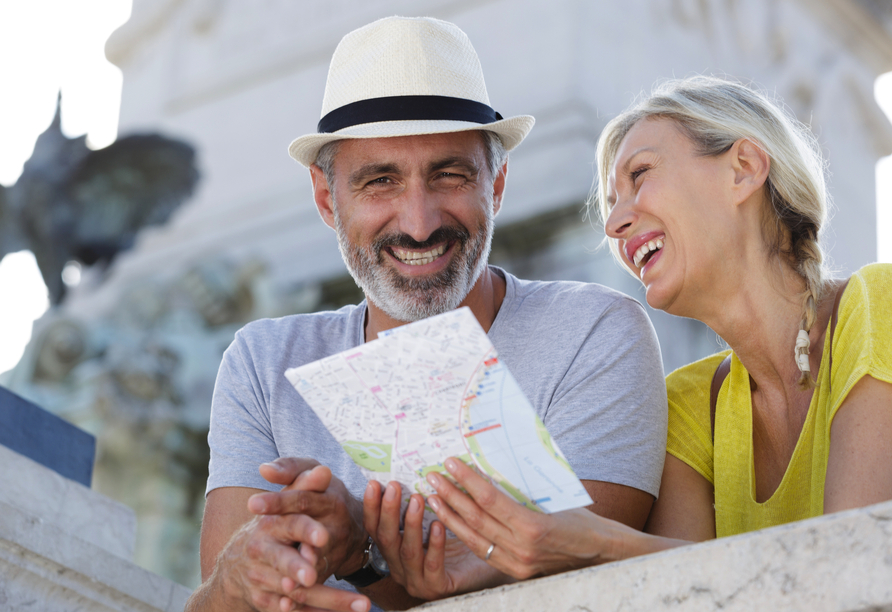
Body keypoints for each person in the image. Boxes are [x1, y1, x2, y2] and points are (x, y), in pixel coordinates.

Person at [186, 16, 668, 612]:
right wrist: (238, 580)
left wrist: (360, 551)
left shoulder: (592, 333)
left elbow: (588, 588)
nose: (418, 222)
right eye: (379, 182)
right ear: (324, 198)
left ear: (496, 186)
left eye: (449, 175)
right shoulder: (263, 364)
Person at [395, 75, 892, 582]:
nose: (613, 225)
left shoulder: (878, 303)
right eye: (611, 203)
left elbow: (850, 564)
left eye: (641, 174)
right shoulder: (691, 404)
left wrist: (593, 542)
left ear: (743, 169)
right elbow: (680, 596)